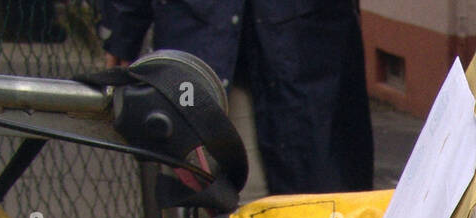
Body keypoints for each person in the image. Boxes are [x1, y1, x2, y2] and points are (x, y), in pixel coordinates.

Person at [98, 0, 374, 199]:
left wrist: (125, 27)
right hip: (207, 53)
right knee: (207, 205)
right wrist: (124, 29)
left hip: (301, 55)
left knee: (309, 208)